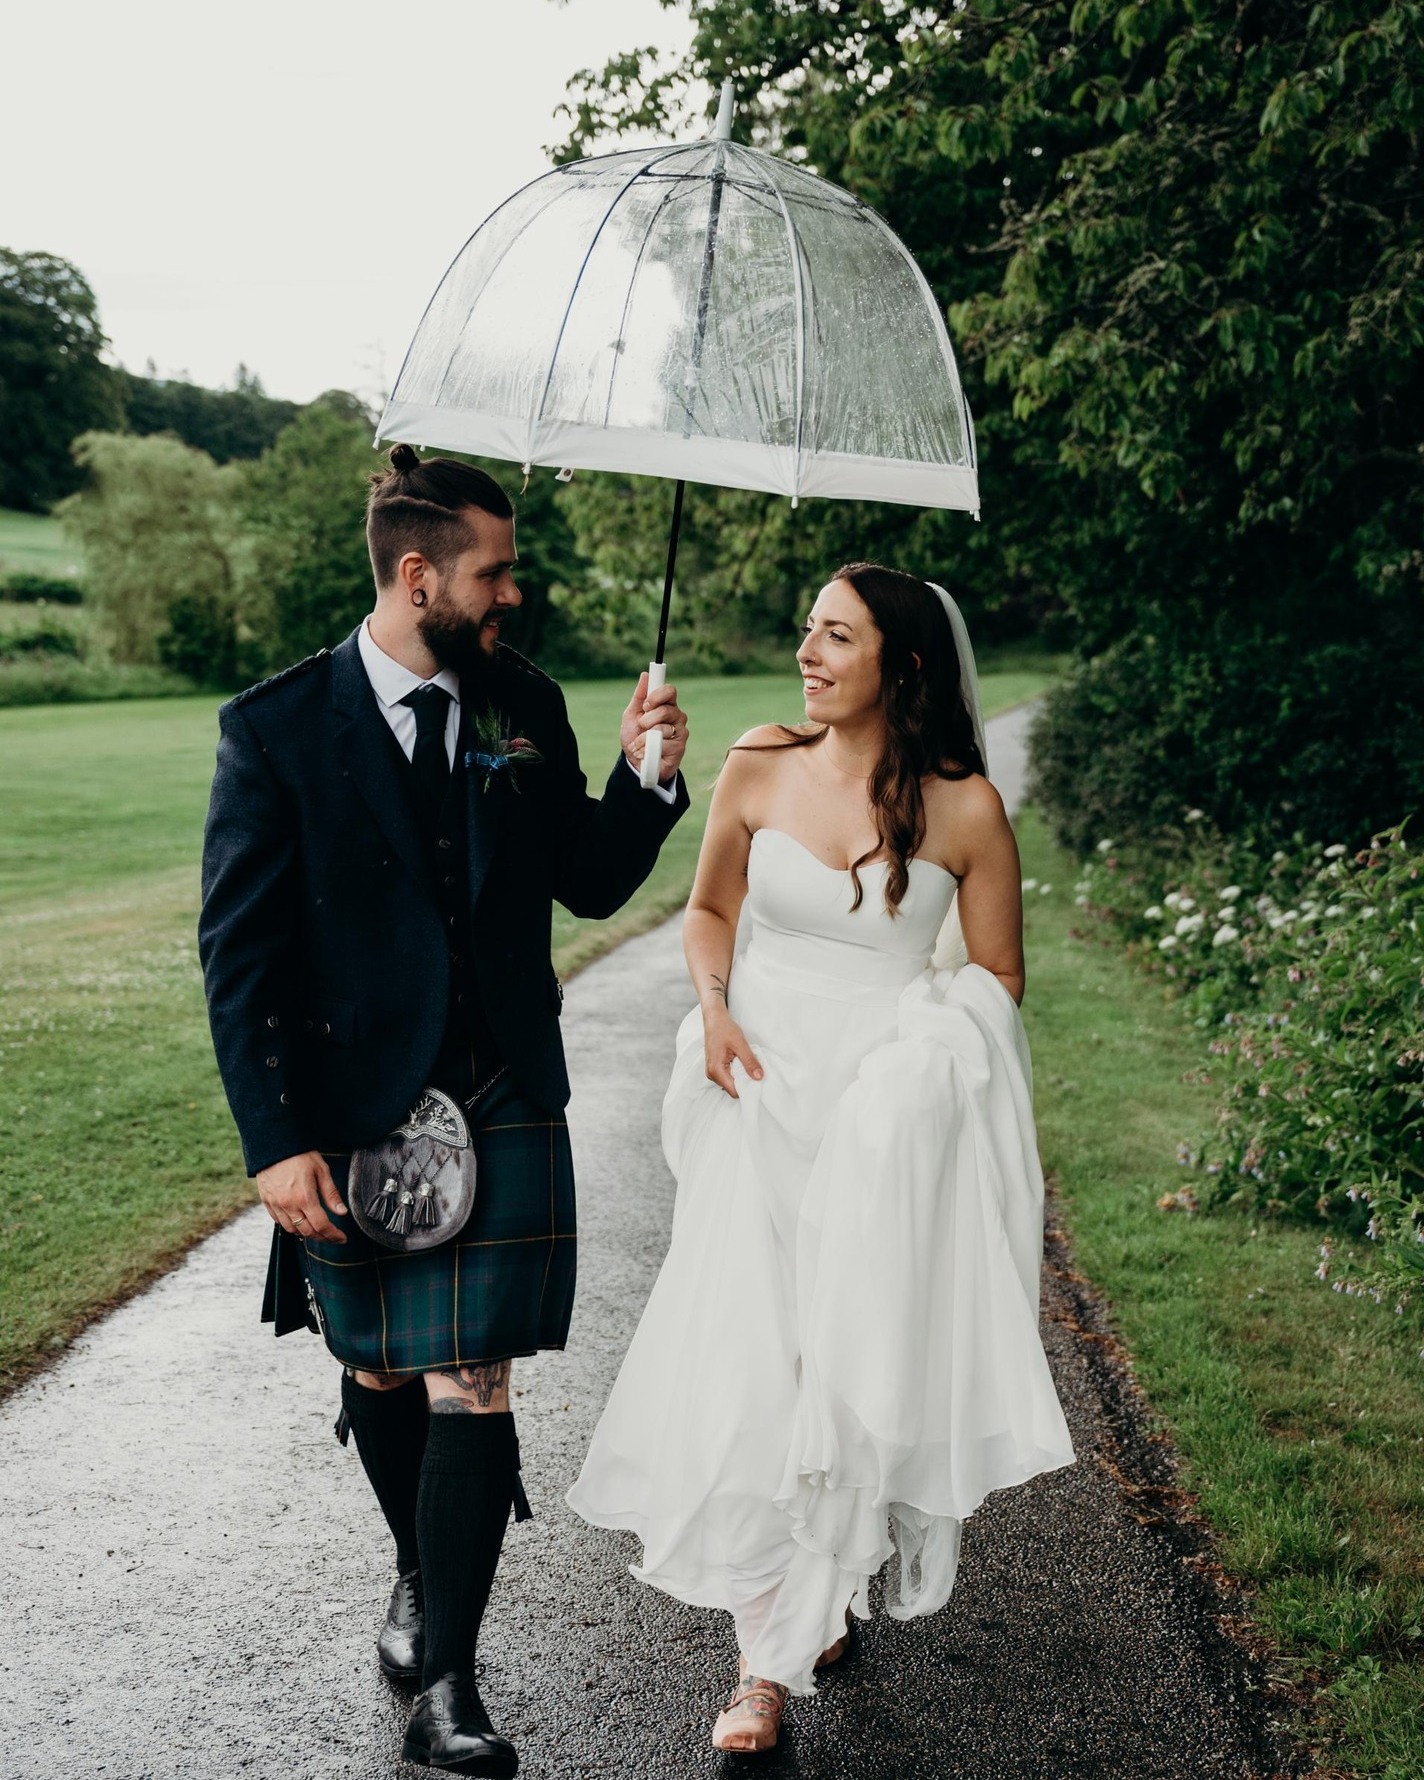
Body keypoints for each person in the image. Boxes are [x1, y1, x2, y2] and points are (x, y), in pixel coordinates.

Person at [198, 445, 690, 1777]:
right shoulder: (278, 728)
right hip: (351, 1105)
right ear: (420, 576)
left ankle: (453, 1685)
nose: (511, 592)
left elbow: (587, 882)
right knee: (379, 1369)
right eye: (494, 570)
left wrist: (647, 782)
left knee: (476, 1376)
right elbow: (238, 958)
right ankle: (419, 1563)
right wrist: (274, 1141)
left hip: (498, 1086)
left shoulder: (522, 701)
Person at [568, 562, 1075, 1752]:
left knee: (844, 1374)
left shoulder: (961, 810)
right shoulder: (755, 760)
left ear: (898, 663)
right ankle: (764, 1663)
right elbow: (705, 913)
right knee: (753, 1370)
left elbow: (997, 979)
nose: (807, 651)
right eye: (807, 629)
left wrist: (924, 1064)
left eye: (834, 636)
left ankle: (811, 1602)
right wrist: (716, 1006)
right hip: (758, 1091)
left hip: (879, 1121)